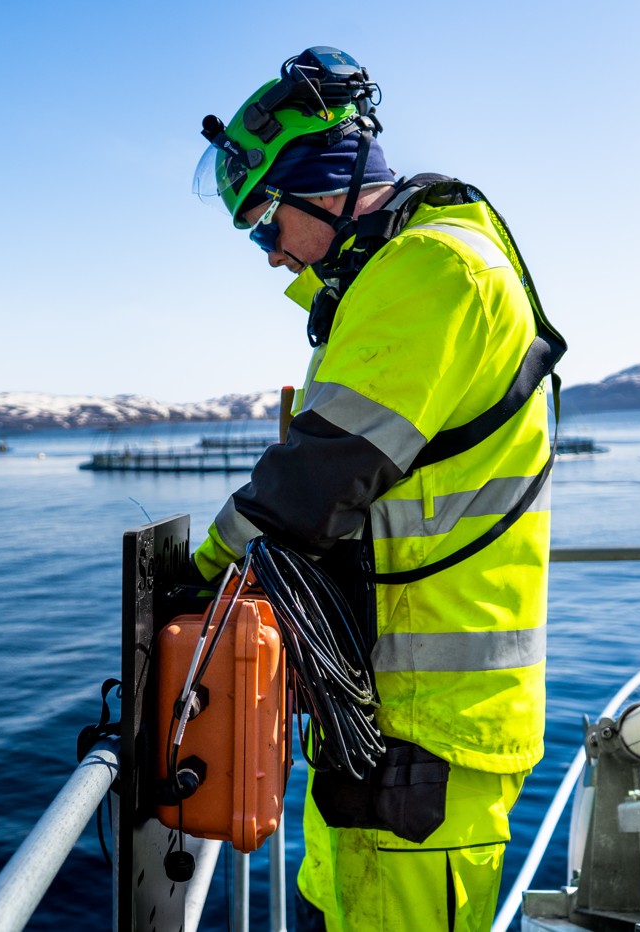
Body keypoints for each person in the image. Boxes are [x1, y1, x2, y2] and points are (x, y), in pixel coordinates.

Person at [190, 48, 566, 932]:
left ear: (321, 181)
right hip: (385, 729)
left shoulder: (430, 272)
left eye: (266, 224)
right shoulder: (399, 278)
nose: (270, 254)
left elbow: (313, 486)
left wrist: (198, 578)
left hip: (426, 741)